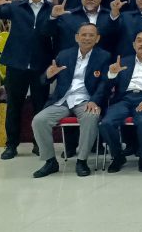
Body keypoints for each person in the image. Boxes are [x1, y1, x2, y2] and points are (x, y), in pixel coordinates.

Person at [30, 22, 111, 178]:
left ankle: (82, 160)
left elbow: (104, 83)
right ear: (76, 37)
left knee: (91, 116)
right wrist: (48, 75)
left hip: (87, 100)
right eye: (84, 35)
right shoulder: (64, 55)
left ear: (97, 38)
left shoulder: (104, 56)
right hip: (63, 100)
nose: (87, 38)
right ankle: (50, 161)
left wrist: (95, 101)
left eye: (91, 35)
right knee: (39, 120)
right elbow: (44, 80)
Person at [0, 0, 54, 160]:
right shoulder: (16, 6)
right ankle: (11, 145)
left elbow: (55, 32)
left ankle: (39, 144)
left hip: (41, 65)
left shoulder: (52, 9)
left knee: (40, 106)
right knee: (14, 105)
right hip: (16, 63)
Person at [99, 30, 142, 173]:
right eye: (139, 40)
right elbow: (107, 87)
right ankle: (117, 156)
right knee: (106, 123)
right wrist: (112, 74)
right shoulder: (123, 62)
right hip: (124, 99)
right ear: (133, 44)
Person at [49, 0, 114, 55]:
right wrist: (53, 17)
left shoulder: (111, 16)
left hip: (102, 60)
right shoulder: (67, 15)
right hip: (71, 60)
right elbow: (48, 33)